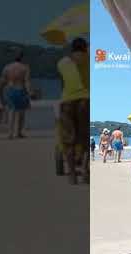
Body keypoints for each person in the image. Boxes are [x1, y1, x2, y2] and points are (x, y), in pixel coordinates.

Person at [57, 37, 90, 184]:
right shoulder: (90, 60)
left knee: (69, 140)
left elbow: (63, 84)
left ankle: (72, 175)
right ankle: (84, 170)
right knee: (85, 138)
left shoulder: (62, 63)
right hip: (85, 100)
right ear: (85, 48)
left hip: (67, 101)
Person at [1, 48, 31, 139]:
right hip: (21, 90)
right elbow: (27, 81)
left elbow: (3, 80)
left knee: (11, 112)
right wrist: (30, 92)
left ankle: (10, 133)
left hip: (10, 90)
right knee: (21, 113)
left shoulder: (7, 67)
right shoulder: (25, 67)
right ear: (21, 57)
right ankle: (18, 132)